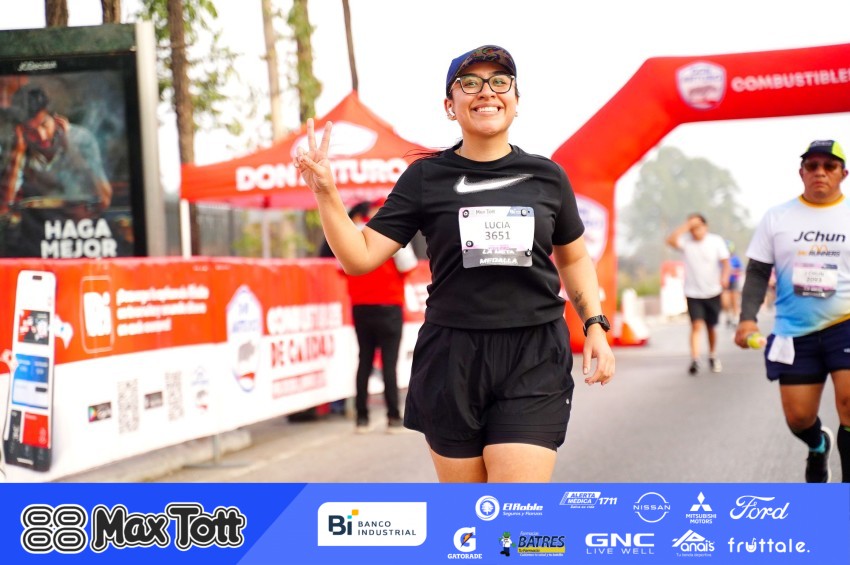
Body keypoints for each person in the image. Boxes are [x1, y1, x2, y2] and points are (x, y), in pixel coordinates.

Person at [295, 44, 614, 483]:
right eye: (470, 83)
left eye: (499, 81)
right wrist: (326, 193)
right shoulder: (425, 178)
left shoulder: (548, 176)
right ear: (450, 105)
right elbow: (360, 256)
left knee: (516, 509)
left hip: (533, 353)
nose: (487, 91)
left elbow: (574, 256)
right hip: (452, 356)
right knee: (469, 515)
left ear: (516, 100)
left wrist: (594, 324)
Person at [734, 139, 850, 483]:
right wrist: (747, 319)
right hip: (794, 330)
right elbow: (758, 272)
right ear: (801, 172)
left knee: (849, 404)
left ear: (843, 174)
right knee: (798, 418)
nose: (820, 172)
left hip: (845, 323)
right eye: (812, 165)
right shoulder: (778, 217)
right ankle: (817, 445)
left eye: (829, 166)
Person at [1, 84, 113, 257]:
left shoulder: (81, 139)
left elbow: (104, 199)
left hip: (78, 232)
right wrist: (19, 152)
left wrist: (71, 149)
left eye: (44, 125)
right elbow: (4, 206)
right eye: (31, 131)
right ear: (21, 130)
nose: (42, 136)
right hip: (32, 233)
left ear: (56, 118)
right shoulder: (15, 145)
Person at [343, 199, 417, 434]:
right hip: (389, 304)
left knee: (364, 360)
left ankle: (361, 418)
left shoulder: (352, 234)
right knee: (389, 363)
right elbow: (408, 266)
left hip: (361, 305)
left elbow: (342, 266)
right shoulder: (393, 231)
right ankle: (393, 418)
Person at [666, 213, 731, 375]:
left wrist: (724, 278)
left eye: (697, 227)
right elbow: (670, 240)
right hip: (693, 292)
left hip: (713, 291)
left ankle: (712, 355)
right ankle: (695, 359)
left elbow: (725, 263)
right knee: (696, 325)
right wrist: (686, 226)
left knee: (711, 327)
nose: (695, 231)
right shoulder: (686, 242)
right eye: (692, 229)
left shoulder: (716, 241)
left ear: (705, 227)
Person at [723, 240, 744, 327]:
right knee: (725, 301)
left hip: (734, 281)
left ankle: (736, 317)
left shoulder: (736, 259)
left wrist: (733, 271)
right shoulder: (722, 260)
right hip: (725, 282)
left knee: (734, 300)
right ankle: (728, 315)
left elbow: (741, 270)